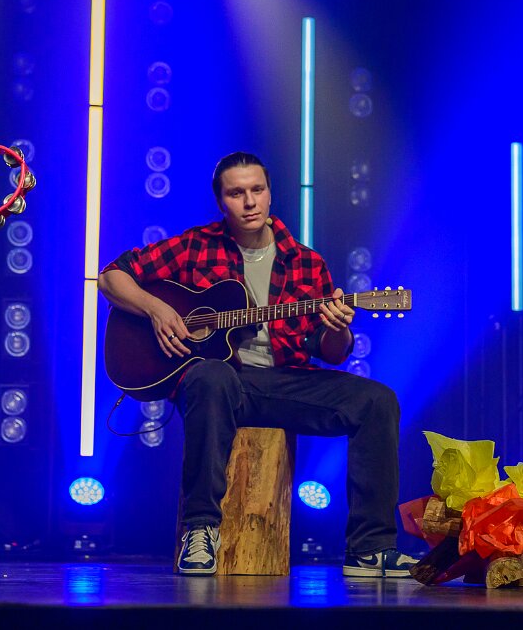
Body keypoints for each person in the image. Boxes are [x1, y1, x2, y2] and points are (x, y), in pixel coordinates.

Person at [98, 152, 416, 577]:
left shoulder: (306, 263)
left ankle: (370, 549)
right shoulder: (196, 247)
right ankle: (200, 530)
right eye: (236, 193)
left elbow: (331, 351)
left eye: (257, 190)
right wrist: (156, 309)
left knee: (378, 401)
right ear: (220, 201)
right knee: (211, 376)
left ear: (269, 194)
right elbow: (112, 277)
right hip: (219, 383)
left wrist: (338, 328)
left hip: (285, 382)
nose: (249, 202)